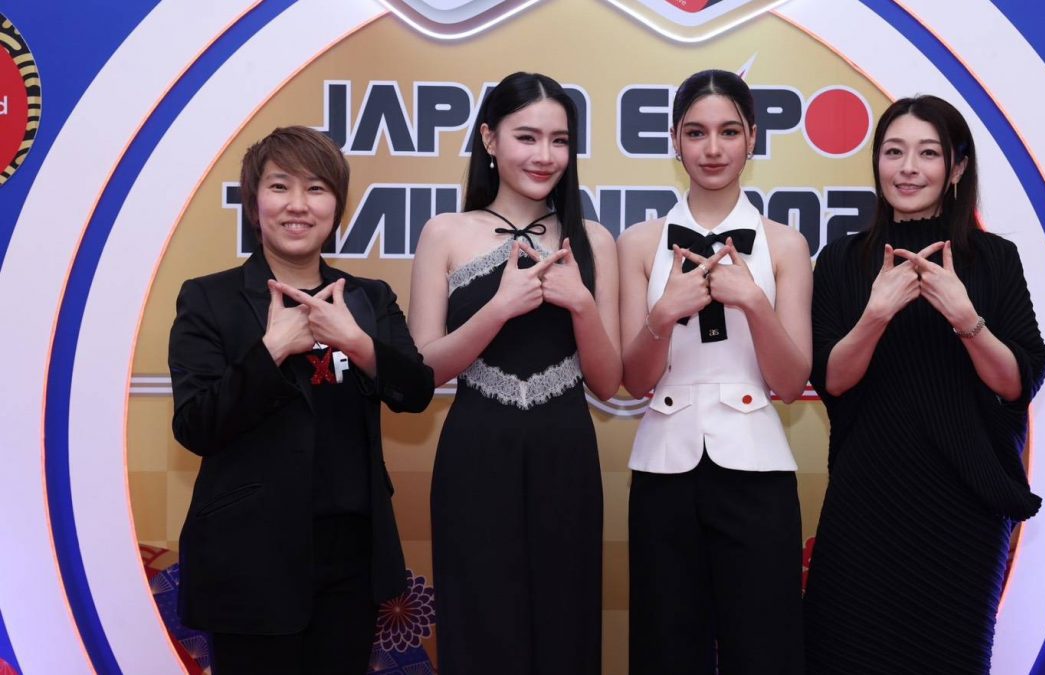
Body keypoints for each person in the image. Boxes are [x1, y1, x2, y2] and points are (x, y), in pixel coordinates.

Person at [168, 125, 435, 674]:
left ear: (337, 207)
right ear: (254, 202)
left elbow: (415, 391)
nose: (298, 205)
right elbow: (196, 425)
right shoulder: (209, 298)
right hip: (249, 559)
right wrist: (271, 350)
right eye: (279, 186)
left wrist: (357, 342)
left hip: (351, 558)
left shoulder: (367, 298)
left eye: (316, 189)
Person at [803, 95, 1045, 673]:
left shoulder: (994, 259)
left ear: (957, 167)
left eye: (928, 153)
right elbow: (832, 380)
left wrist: (966, 318)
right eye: (894, 152)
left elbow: (1018, 382)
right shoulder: (841, 260)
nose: (908, 168)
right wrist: (875, 315)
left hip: (964, 509)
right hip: (866, 503)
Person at [407, 71, 621, 674]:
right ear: (489, 139)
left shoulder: (594, 239)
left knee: (566, 626)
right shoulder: (445, 233)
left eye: (559, 140)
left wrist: (581, 304)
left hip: (565, 452)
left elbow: (609, 382)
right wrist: (499, 308)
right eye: (527, 137)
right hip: (476, 451)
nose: (544, 155)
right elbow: (424, 370)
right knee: (480, 625)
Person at [617, 69, 812, 675]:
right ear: (675, 140)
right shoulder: (639, 242)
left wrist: (753, 301)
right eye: (696, 132)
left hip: (759, 469)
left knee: (766, 649)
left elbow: (790, 383)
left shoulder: (785, 244)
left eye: (729, 131)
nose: (712, 148)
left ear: (752, 138)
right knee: (665, 649)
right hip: (663, 469)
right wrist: (663, 312)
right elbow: (634, 380)